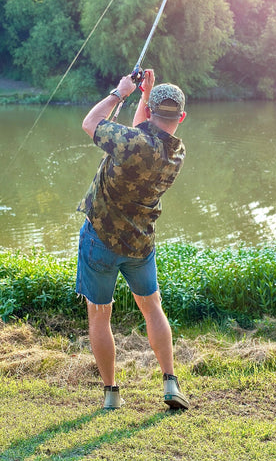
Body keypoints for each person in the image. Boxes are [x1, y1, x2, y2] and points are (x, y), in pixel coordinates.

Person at [76, 68, 189, 410]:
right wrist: (145, 96)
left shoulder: (131, 143)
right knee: (152, 307)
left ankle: (112, 393)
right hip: (141, 245)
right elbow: (142, 132)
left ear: (153, 114)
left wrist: (120, 92)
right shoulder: (175, 153)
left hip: (100, 239)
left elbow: (90, 122)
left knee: (99, 315)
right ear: (180, 118)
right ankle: (170, 383)